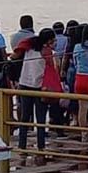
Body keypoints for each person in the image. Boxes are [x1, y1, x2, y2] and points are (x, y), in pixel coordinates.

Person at [16, 28, 57, 164]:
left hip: (24, 83)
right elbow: (52, 70)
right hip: (39, 87)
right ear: (49, 40)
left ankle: (22, 145)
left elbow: (17, 52)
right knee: (40, 119)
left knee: (24, 118)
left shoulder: (29, 48)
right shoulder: (47, 52)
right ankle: (41, 146)